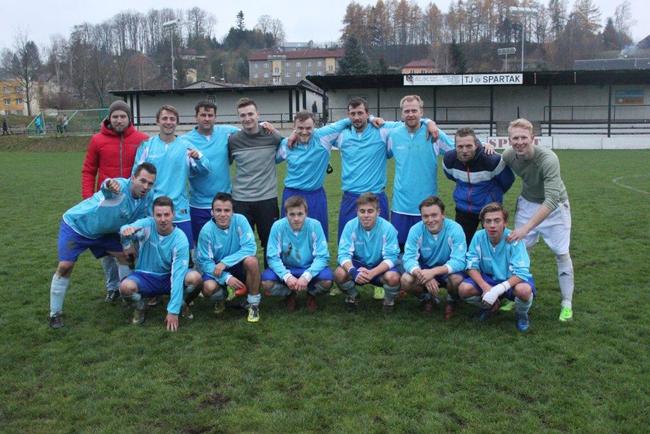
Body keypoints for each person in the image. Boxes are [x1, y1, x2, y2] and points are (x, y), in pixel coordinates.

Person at [48, 163, 157, 328]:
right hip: (78, 226)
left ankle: (126, 296)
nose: (146, 186)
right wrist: (108, 184)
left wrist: (127, 243)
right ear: (133, 178)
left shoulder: (148, 198)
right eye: (142, 181)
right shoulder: (119, 187)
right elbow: (107, 187)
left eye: (150, 183)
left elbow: (136, 223)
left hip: (105, 232)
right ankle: (55, 314)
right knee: (65, 266)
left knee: (126, 256)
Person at [335, 97, 438, 241]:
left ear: (367, 113)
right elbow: (316, 134)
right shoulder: (341, 134)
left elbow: (409, 123)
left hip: (376, 195)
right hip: (350, 196)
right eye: (353, 114)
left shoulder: (382, 130)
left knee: (381, 242)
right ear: (348, 115)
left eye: (360, 113)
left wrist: (428, 122)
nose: (357, 117)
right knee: (347, 241)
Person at [502, 118, 575, 322]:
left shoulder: (548, 159)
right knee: (518, 252)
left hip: (555, 207)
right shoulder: (509, 155)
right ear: (509, 140)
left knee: (561, 254)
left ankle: (566, 303)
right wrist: (488, 149)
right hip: (527, 203)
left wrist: (526, 228)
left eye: (524, 137)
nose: (519, 142)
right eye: (515, 138)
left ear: (532, 138)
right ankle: (516, 295)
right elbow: (494, 168)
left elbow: (551, 200)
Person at [81, 100, 148, 302]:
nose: (119, 120)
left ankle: (133, 285)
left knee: (132, 246)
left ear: (129, 119)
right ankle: (112, 287)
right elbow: (89, 170)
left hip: (132, 205)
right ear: (109, 118)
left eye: (123, 116)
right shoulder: (97, 140)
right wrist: (88, 200)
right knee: (109, 250)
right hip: (106, 205)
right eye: (115, 116)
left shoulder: (142, 139)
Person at [119, 196, 203, 331]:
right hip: (145, 276)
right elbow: (126, 228)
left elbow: (177, 275)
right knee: (125, 287)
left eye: (166, 215)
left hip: (168, 277)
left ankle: (182, 303)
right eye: (158, 215)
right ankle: (140, 307)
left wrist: (173, 310)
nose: (163, 219)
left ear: (173, 214)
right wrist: (126, 233)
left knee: (196, 278)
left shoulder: (180, 238)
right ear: (153, 215)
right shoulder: (146, 225)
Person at [133, 104, 209, 250]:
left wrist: (199, 157)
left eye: (172, 119)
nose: (168, 122)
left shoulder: (186, 146)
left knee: (186, 253)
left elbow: (205, 170)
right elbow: (136, 176)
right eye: (165, 118)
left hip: (179, 210)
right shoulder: (147, 146)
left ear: (177, 122)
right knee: (154, 254)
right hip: (153, 210)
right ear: (157, 121)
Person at [386, 95, 454, 249]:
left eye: (414, 110)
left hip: (427, 205)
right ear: (402, 113)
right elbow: (384, 150)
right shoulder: (394, 135)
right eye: (407, 111)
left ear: (421, 112)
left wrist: (484, 146)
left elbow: (459, 149)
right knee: (400, 249)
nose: (410, 114)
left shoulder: (434, 134)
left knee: (427, 249)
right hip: (400, 205)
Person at [458, 203, 536, 332]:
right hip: (488, 279)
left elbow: (522, 272)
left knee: (524, 290)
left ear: (505, 223)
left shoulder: (514, 238)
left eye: (497, 220)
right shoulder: (478, 236)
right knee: (464, 289)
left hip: (511, 280)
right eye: (488, 221)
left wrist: (497, 290)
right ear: (483, 223)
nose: (492, 225)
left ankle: (521, 315)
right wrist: (485, 287)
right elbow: (471, 265)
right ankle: (489, 307)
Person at [276, 110, 351, 239]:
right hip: (292, 194)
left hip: (315, 195)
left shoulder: (324, 136)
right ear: (293, 127)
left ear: (314, 127)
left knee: (318, 235)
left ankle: (320, 259)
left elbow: (348, 121)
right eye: (300, 128)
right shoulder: (286, 144)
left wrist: (372, 118)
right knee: (289, 236)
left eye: (308, 128)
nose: (304, 132)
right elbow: (269, 159)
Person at [228, 98, 283, 265]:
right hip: (241, 200)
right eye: (243, 115)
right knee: (241, 244)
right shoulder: (233, 140)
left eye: (250, 114)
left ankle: (271, 277)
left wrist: (276, 132)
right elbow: (226, 163)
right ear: (239, 118)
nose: (247, 118)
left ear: (258, 114)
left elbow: (286, 145)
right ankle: (243, 280)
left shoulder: (272, 136)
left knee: (270, 242)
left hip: (267, 199)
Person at [442, 127, 515, 246]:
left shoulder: (492, 160)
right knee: (461, 245)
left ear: (476, 145)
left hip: (489, 210)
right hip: (463, 209)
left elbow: (507, 181)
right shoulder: (449, 159)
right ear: (455, 146)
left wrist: (492, 196)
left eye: (469, 146)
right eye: (460, 147)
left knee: (493, 245)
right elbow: (450, 176)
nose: (464, 150)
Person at [196, 192, 261, 322]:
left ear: (232, 212)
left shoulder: (240, 220)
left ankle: (253, 304)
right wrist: (227, 277)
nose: (223, 214)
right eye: (218, 210)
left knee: (252, 261)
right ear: (212, 212)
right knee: (208, 288)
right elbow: (205, 262)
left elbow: (250, 247)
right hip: (217, 270)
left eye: (227, 210)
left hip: (237, 266)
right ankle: (222, 298)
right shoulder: (206, 231)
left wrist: (225, 262)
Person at [261, 196, 332, 313]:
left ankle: (311, 293)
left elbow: (322, 256)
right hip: (287, 268)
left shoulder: (315, 225)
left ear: (306, 213)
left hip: (309, 267)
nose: (296, 218)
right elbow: (272, 257)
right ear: (286, 214)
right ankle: (290, 293)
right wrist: (287, 277)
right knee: (266, 282)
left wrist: (307, 276)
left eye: (300, 214)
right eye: (292, 214)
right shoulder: (277, 226)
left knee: (327, 281)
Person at [400, 196, 467, 319]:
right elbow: (408, 259)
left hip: (446, 271)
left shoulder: (455, 229)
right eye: (425, 216)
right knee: (405, 280)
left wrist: (433, 272)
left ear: (443, 215)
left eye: (434, 215)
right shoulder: (416, 230)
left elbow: (459, 261)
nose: (430, 220)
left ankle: (452, 300)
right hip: (424, 270)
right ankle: (426, 298)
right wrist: (423, 274)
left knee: (457, 279)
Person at [183, 101, 240, 243]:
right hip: (199, 204)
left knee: (227, 242)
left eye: (210, 115)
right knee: (201, 244)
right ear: (196, 117)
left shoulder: (227, 132)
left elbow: (249, 130)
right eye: (203, 115)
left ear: (215, 117)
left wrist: (264, 125)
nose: (207, 118)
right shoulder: (185, 140)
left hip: (224, 202)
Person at [334, 193, 401, 312]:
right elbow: (343, 254)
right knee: (339, 273)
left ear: (378, 212)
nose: (366, 215)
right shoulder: (350, 226)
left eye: (370, 211)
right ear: (357, 212)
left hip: (380, 267)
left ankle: (389, 300)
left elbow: (392, 258)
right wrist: (354, 272)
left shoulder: (388, 228)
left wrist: (372, 272)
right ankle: (354, 296)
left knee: (393, 277)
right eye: (362, 211)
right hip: (358, 268)